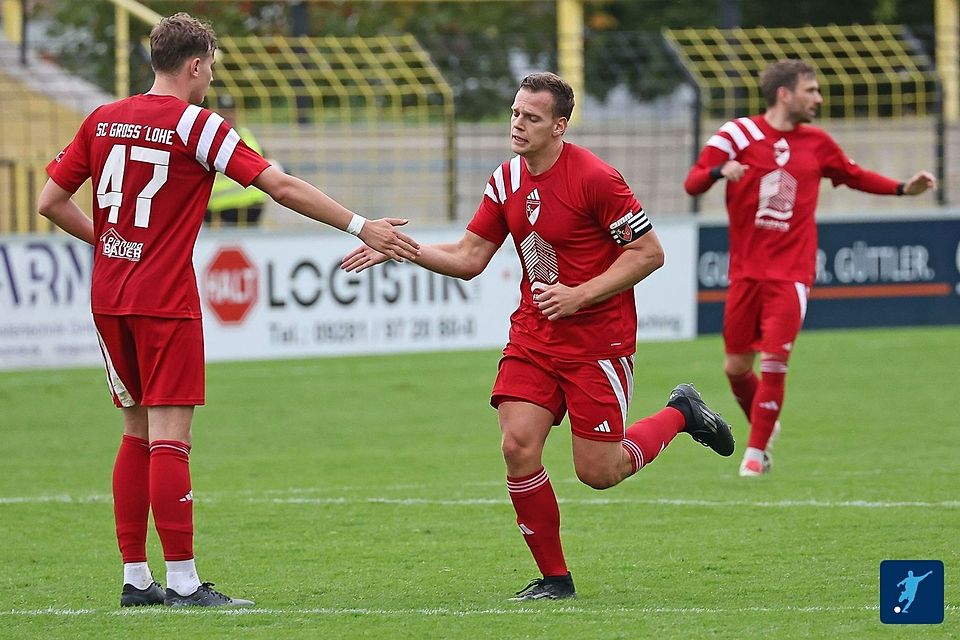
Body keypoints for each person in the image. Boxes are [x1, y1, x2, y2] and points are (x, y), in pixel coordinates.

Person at [37, 12, 419, 608]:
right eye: (210, 66)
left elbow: (50, 201)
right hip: (165, 300)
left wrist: (113, 243)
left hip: (110, 298)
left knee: (134, 432)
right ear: (194, 65)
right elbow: (281, 186)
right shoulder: (198, 125)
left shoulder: (102, 119)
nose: (211, 77)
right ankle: (186, 583)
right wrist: (360, 224)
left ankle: (137, 580)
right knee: (171, 438)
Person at [342, 72, 734, 601]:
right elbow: (468, 258)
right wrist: (401, 249)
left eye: (531, 117)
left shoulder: (596, 179)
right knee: (517, 445)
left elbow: (649, 253)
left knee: (599, 471)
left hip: (599, 342)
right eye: (515, 113)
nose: (518, 125)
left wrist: (580, 295)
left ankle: (682, 413)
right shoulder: (506, 181)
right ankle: (556, 579)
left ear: (559, 126)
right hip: (534, 336)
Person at [684, 59, 936, 477]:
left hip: (791, 273)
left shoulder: (818, 143)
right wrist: (717, 170)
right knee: (736, 367)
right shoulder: (738, 134)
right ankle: (766, 420)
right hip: (745, 273)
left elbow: (853, 175)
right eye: (811, 90)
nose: (818, 98)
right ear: (785, 94)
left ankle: (756, 454)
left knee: (775, 361)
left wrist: (902, 189)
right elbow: (692, 182)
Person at [204, 94, 267, 227]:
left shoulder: (246, 135)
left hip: (251, 210)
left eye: (231, 112)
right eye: (223, 113)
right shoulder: (207, 138)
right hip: (217, 213)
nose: (228, 116)